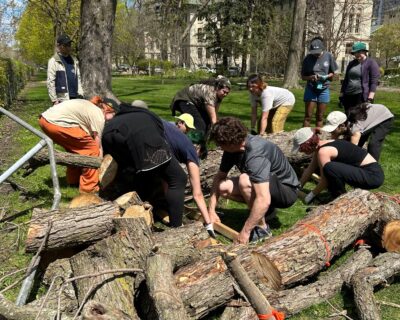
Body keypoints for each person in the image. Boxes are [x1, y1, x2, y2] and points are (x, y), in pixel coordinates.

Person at [208, 117, 300, 244]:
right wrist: (211, 211)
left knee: (244, 180)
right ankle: (266, 212)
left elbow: (263, 199)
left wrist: (245, 232)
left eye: (220, 145)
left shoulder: (255, 154)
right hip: (267, 187)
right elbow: (219, 177)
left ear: (231, 143)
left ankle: (263, 229)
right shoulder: (232, 148)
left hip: (287, 191)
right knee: (223, 187)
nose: (219, 147)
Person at [102, 102, 187, 227]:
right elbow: (161, 139)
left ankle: (135, 214)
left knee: (138, 173)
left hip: (108, 135)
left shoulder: (124, 114)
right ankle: (177, 226)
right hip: (139, 136)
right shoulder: (149, 115)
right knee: (178, 178)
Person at [39, 97, 115, 193]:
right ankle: (89, 189)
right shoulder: (99, 115)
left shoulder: (90, 106)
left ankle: (73, 181)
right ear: (107, 111)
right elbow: (97, 144)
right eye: (113, 115)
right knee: (91, 150)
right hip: (56, 123)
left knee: (76, 150)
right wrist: (99, 162)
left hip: (45, 120)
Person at [292, 127, 384, 204]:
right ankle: (336, 197)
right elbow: (310, 169)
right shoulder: (323, 146)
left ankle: (340, 199)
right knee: (330, 169)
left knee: (329, 168)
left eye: (301, 148)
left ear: (308, 145)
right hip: (371, 173)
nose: (301, 151)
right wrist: (298, 186)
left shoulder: (323, 151)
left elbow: (325, 180)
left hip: (372, 176)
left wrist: (311, 195)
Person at [162, 118, 215, 237]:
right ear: (198, 148)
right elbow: (197, 194)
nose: (197, 159)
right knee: (178, 179)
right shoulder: (191, 150)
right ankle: (176, 224)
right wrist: (208, 223)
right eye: (199, 156)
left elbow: (166, 180)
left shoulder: (175, 140)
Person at [321, 104, 394, 161]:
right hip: (371, 115)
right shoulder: (345, 120)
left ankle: (373, 168)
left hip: (384, 116)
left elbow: (352, 150)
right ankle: (363, 160)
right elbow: (335, 138)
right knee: (359, 139)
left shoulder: (355, 129)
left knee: (373, 143)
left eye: (334, 129)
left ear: (342, 125)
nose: (333, 132)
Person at [301, 37, 338, 128]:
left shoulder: (328, 56)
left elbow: (334, 73)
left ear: (322, 49)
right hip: (311, 89)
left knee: (320, 116)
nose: (316, 54)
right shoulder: (307, 59)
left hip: (324, 89)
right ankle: (305, 139)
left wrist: (326, 77)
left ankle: (318, 139)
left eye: (318, 52)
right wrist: (311, 77)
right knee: (308, 116)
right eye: (314, 53)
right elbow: (303, 77)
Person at [339, 42, 380, 115]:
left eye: (358, 52)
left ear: (364, 51)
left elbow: (374, 81)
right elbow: (346, 80)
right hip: (348, 95)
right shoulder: (351, 63)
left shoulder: (371, 63)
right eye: (355, 52)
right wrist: (341, 95)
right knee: (348, 117)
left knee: (358, 118)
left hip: (361, 95)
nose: (356, 54)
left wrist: (370, 98)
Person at [47, 34, 84, 104]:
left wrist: (81, 93)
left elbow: (78, 78)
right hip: (62, 99)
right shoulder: (54, 61)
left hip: (76, 97)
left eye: (69, 45)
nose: (68, 47)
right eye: (65, 45)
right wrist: (54, 100)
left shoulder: (74, 60)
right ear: (59, 46)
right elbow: (50, 81)